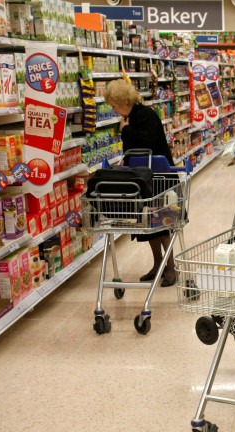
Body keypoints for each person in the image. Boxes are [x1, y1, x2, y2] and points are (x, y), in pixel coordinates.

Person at [105, 79, 177, 286]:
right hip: (141, 179)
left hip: (159, 178)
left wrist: (126, 131)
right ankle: (158, 264)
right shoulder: (131, 117)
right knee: (147, 225)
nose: (113, 109)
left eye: (114, 105)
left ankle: (171, 268)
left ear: (125, 101)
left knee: (163, 223)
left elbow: (144, 144)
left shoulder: (145, 115)